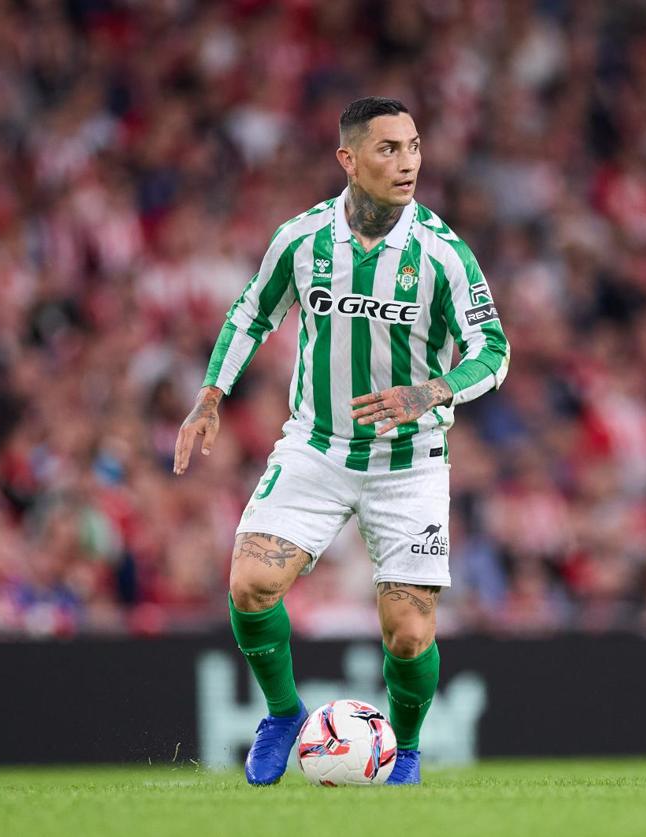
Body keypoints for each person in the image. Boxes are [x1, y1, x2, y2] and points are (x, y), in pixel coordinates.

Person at [173, 97, 510, 785]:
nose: (408, 160)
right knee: (250, 584)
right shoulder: (303, 238)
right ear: (348, 160)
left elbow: (495, 351)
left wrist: (429, 391)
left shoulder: (441, 254)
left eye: (414, 145)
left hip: (410, 462)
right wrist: (211, 394)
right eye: (388, 148)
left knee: (409, 631)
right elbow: (252, 311)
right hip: (317, 447)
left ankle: (407, 750)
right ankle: (282, 712)